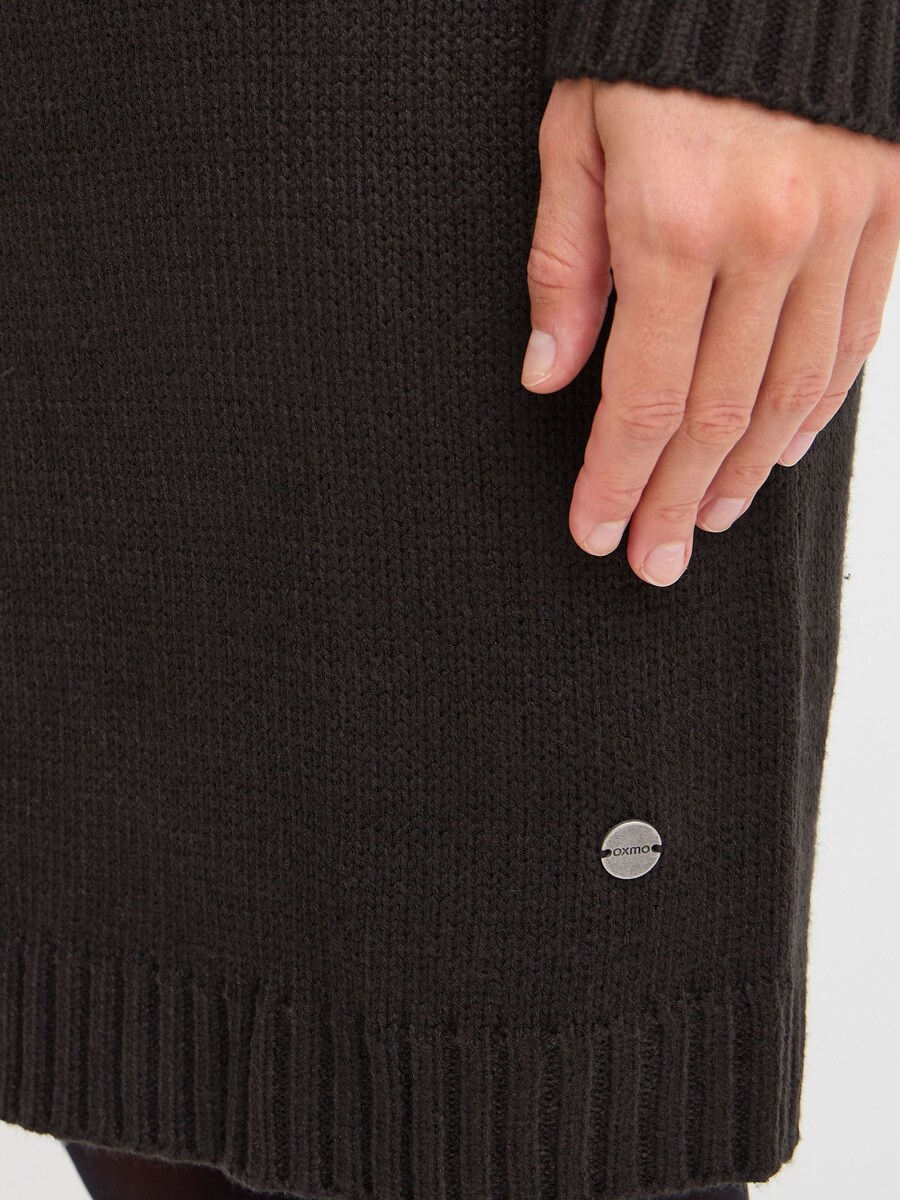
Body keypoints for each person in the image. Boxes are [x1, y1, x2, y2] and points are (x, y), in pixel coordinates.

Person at [2, 4, 898, 1200]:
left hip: (428, 114)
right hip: (87, 111)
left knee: (497, 1093)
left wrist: (763, 32)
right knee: (143, 1013)